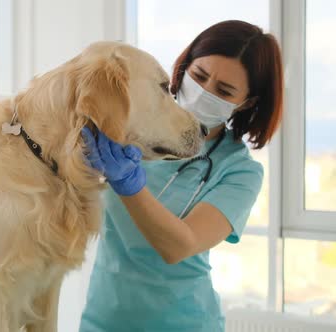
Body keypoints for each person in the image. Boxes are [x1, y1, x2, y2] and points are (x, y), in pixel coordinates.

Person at [78, 20, 283, 331]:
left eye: (224, 91)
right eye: (198, 76)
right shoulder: (129, 125)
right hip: (104, 319)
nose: (203, 92)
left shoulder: (240, 171)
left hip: (183, 323)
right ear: (184, 67)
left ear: (248, 103)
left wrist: (128, 184)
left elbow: (179, 246)